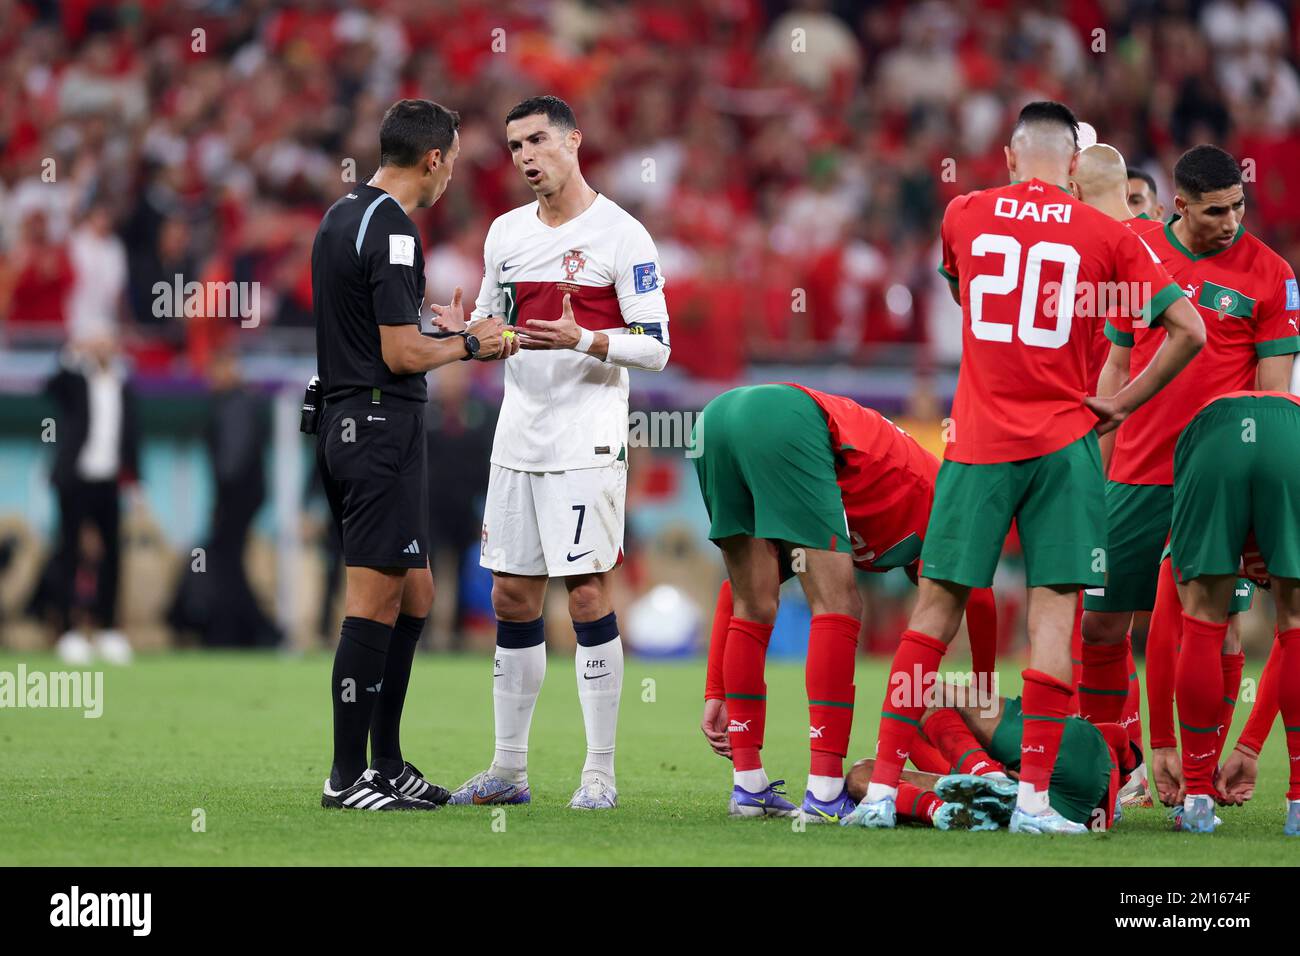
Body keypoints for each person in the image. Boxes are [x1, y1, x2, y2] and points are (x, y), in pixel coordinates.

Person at [853, 101, 1204, 835]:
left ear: (1011, 158)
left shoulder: (965, 213)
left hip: (977, 443)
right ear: (1075, 167)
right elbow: (1188, 330)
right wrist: (1122, 403)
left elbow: (966, 291)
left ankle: (882, 790)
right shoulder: (1108, 235)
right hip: (1064, 444)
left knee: (932, 616)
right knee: (1053, 616)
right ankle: (1038, 804)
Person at [441, 95, 671, 811]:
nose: (527, 156)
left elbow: (657, 346)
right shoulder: (505, 234)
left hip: (586, 439)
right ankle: (509, 769)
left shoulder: (623, 236)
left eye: (539, 140)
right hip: (518, 437)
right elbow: (497, 325)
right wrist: (467, 335)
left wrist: (588, 339)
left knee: (588, 593)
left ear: (575, 140)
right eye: (515, 147)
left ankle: (599, 771)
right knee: (512, 594)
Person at [312, 98, 513, 813]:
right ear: (433, 158)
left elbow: (379, 332)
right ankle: (346, 776)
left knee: (418, 591)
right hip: (376, 427)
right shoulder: (395, 231)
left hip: (353, 421)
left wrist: (433, 328)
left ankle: (388, 762)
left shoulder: (344, 215)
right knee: (375, 598)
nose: (454, 172)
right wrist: (470, 343)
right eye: (454, 158)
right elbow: (398, 356)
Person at [1089, 145, 1299, 808]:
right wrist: (1096, 469)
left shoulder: (1270, 275)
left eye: (1239, 206)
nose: (1232, 220)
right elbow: (1118, 367)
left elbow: (1271, 402)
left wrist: (1257, 501)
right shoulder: (1139, 254)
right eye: (1216, 211)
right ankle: (1109, 773)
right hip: (1138, 471)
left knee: (1215, 626)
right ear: (1180, 205)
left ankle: (1200, 773)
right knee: (1102, 624)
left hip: (1214, 481)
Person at [692, 383, 998, 823]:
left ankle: (749, 787)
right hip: (789, 419)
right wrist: (984, 695)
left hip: (715, 419)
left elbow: (734, 596)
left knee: (753, 600)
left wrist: (717, 691)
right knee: (839, 605)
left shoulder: (908, 518)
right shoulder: (944, 507)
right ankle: (825, 792)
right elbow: (981, 601)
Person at [1166, 390, 1300, 834]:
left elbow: (1165, 631)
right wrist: (1252, 743)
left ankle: (1198, 802)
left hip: (1211, 426)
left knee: (1202, 621)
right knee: (1296, 621)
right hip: (1290, 427)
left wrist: (1164, 741)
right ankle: (1299, 804)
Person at [843, 685, 1143, 833]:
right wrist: (1120, 779)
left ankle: (959, 796)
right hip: (1067, 801)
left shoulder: (939, 745)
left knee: (913, 695)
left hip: (1029, 781)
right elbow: (1115, 736)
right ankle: (964, 795)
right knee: (917, 693)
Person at [43, 331, 140, 665]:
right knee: (70, 552)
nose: (102, 347)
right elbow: (50, 387)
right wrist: (73, 352)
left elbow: (131, 435)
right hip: (75, 479)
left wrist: (136, 484)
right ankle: (68, 632)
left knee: (112, 555)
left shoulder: (122, 384)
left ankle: (108, 629)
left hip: (108, 481)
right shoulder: (75, 382)